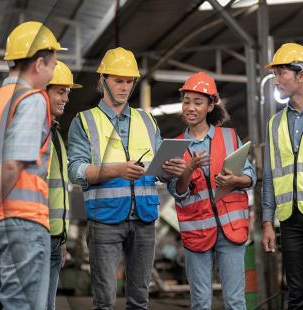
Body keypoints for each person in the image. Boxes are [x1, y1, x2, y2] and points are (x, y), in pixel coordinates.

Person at [68, 47, 185, 310]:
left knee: (139, 300)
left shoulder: (147, 120)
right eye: (118, 81)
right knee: (106, 300)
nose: (124, 87)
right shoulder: (85, 121)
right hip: (105, 219)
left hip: (144, 219)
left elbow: (159, 170)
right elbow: (75, 170)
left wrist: (170, 169)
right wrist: (116, 170)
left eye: (129, 81)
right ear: (102, 81)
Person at [0, 21, 64, 309]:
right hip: (23, 223)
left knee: (3, 303)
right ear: (39, 64)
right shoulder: (31, 100)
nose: (53, 72)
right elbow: (12, 165)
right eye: (53, 65)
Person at [169, 72, 256, 310]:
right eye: (187, 101)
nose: (191, 107)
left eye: (198, 102)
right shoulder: (174, 146)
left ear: (210, 106)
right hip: (197, 231)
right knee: (200, 303)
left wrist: (235, 179)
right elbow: (178, 191)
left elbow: (251, 178)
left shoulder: (229, 137)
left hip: (231, 229)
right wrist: (189, 168)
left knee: (235, 301)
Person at [261, 42, 303, 309]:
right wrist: (268, 221)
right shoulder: (275, 122)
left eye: (280, 74)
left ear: (300, 75)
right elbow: (269, 175)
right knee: (296, 293)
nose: (275, 80)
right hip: (290, 219)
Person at [46, 60, 82, 310]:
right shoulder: (33, 132)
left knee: (47, 305)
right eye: (60, 91)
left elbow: (59, 191)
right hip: (36, 235)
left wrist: (62, 241)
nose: (66, 98)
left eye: (68, 92)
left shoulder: (56, 134)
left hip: (53, 238)